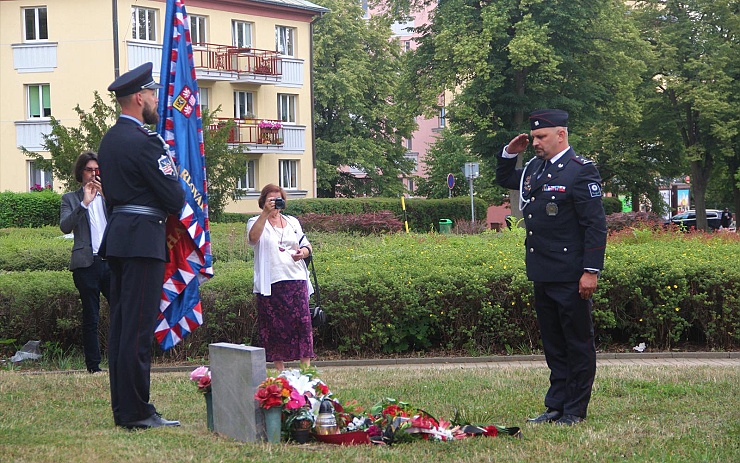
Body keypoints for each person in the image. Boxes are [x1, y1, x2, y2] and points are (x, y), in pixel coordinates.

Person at [496, 109, 607, 426]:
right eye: (533, 137)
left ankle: (574, 409)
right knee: (554, 344)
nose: (535, 143)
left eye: (540, 137)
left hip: (571, 274)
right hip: (542, 270)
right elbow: (506, 179)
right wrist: (508, 154)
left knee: (577, 343)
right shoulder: (534, 168)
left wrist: (590, 271)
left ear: (561, 135)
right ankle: (556, 405)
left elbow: (595, 226)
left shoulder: (580, 171)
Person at [97, 62, 185, 429]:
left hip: (119, 236)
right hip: (143, 239)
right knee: (137, 330)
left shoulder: (110, 140)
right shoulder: (145, 142)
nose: (154, 100)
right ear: (138, 98)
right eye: (151, 94)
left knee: (122, 328)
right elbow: (174, 197)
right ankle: (136, 412)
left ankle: (125, 408)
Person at [247, 184, 314, 372]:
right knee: (275, 326)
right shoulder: (255, 221)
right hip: (271, 282)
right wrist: (265, 214)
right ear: (263, 201)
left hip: (297, 278)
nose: (275, 203)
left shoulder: (292, 221)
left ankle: (306, 369)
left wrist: (303, 252)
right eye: (271, 199)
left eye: (278, 199)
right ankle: (280, 370)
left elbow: (308, 246)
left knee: (302, 324)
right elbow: (253, 239)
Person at [60, 151, 110, 374]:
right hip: (86, 265)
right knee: (91, 317)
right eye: (89, 170)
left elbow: (122, 219)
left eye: (97, 170)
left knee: (122, 310)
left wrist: (106, 197)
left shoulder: (109, 196)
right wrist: (84, 203)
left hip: (110, 263)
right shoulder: (70, 199)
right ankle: (94, 366)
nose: (93, 174)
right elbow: (65, 226)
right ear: (81, 172)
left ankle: (122, 360)